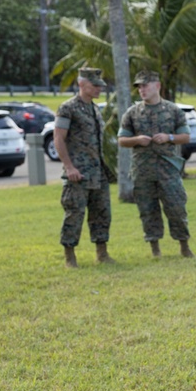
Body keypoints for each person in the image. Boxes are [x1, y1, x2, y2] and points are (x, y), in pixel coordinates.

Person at [118, 70, 194, 258]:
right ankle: (155, 250)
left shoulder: (173, 110)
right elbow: (121, 140)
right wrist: (136, 140)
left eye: (145, 85)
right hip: (143, 171)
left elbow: (185, 137)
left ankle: (184, 246)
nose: (142, 90)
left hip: (168, 170)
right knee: (147, 210)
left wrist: (169, 137)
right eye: (139, 87)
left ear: (157, 86)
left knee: (176, 207)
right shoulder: (132, 113)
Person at [54, 67, 115, 268]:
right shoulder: (68, 108)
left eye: (100, 85)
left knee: (102, 213)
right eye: (94, 85)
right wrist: (69, 167)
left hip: (98, 172)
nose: (99, 89)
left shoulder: (95, 109)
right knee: (75, 214)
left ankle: (102, 253)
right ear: (81, 84)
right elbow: (58, 138)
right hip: (78, 174)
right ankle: (70, 257)